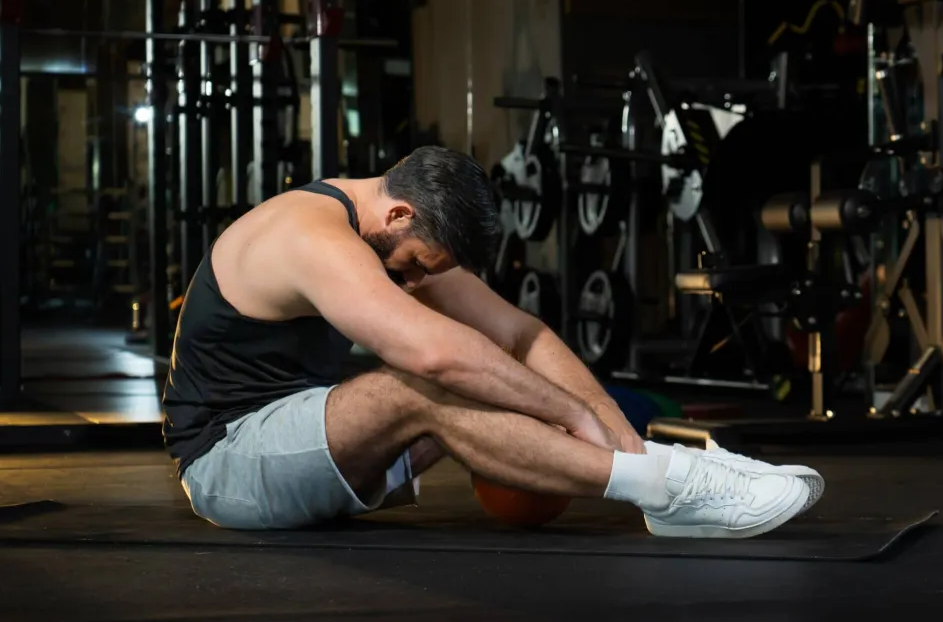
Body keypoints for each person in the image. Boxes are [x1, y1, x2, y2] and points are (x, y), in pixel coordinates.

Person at [161, 146, 823, 538]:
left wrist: (617, 432)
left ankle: (652, 477)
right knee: (427, 381)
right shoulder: (311, 234)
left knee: (489, 364)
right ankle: (672, 485)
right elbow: (432, 356)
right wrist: (569, 414)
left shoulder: (389, 235)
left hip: (306, 447)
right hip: (229, 462)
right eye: (417, 263)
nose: (415, 281)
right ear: (399, 215)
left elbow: (517, 332)